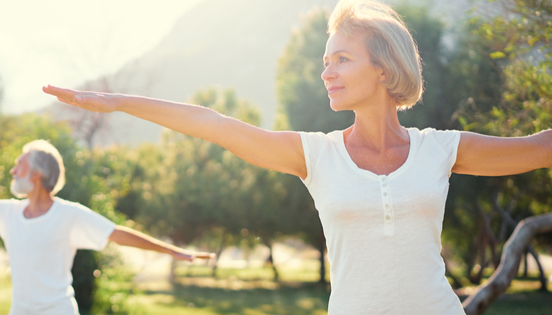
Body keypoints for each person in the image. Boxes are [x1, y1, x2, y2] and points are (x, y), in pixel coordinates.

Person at [41, 0, 552, 313]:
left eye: (342, 59)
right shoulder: (315, 155)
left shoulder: (440, 149)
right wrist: (114, 101)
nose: (326, 72)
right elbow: (213, 124)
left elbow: (536, 149)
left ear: (383, 68)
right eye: (324, 61)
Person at [0, 139, 213, 315]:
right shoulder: (8, 213)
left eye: (19, 165)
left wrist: (173, 250)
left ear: (37, 175)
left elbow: (118, 235)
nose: (12, 170)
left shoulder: (69, 215)